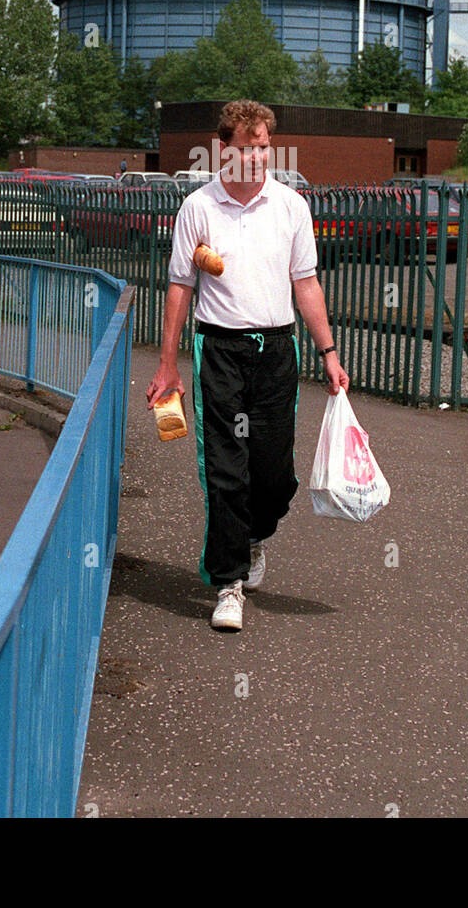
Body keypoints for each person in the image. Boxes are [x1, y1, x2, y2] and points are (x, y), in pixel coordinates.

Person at [146, 99, 349, 633]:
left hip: (277, 352)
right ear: (224, 149)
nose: (258, 157)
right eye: (247, 147)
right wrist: (168, 367)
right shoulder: (198, 208)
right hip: (220, 354)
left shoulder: (290, 207)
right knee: (226, 471)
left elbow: (306, 284)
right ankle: (229, 582)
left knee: (275, 474)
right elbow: (179, 288)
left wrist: (329, 352)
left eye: (264, 147)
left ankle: (256, 537)